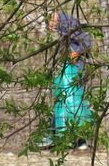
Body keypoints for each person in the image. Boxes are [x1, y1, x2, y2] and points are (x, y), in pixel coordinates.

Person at [40, 11, 94, 150]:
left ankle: (77, 137)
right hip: (65, 70)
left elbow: (87, 42)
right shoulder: (62, 27)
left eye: (50, 22)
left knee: (74, 102)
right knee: (61, 102)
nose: (50, 26)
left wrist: (77, 53)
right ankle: (58, 135)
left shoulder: (70, 25)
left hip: (74, 69)